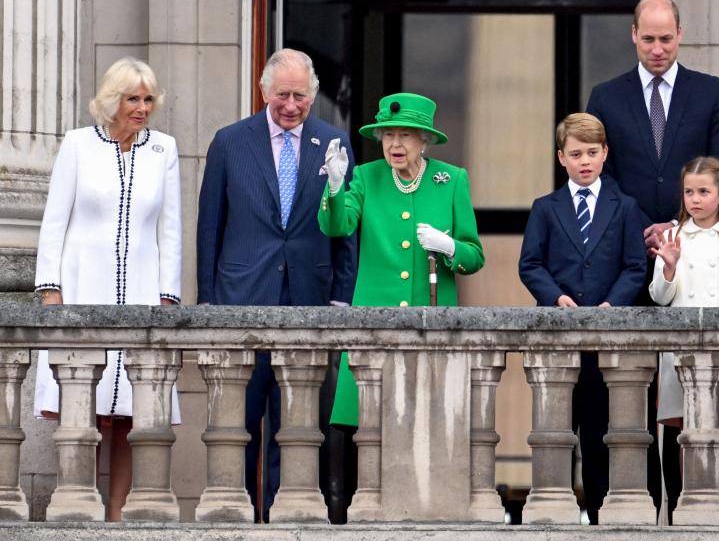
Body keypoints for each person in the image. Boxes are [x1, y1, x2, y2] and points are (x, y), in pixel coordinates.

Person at [585, 0, 719, 519]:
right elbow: (597, 178)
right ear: (632, 35)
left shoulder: (711, 92)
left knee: (685, 392)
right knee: (626, 387)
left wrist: (676, 223)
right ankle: (634, 505)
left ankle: (685, 508)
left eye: (666, 38)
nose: (657, 48)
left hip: (692, 256)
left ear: (681, 34)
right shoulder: (605, 96)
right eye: (648, 39)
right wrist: (639, 229)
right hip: (624, 260)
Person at [196, 48, 358, 522]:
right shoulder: (230, 142)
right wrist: (207, 299)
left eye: (301, 96)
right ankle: (240, 520)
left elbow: (344, 226)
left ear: (313, 95)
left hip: (309, 304)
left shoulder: (333, 142)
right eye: (283, 95)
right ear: (264, 92)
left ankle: (289, 519)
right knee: (237, 430)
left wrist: (341, 298)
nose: (291, 105)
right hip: (240, 303)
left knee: (297, 430)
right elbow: (211, 226)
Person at [33, 57, 182, 521]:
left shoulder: (164, 149)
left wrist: (166, 298)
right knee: (86, 409)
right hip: (83, 289)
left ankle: (117, 517)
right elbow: (54, 222)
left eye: (147, 99)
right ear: (111, 100)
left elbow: (170, 230)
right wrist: (51, 291)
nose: (141, 108)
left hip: (141, 292)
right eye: (132, 99)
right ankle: (79, 508)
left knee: (130, 415)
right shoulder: (78, 145)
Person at [518, 113, 648, 524]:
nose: (585, 161)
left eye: (592, 152)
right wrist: (555, 297)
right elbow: (530, 263)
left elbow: (634, 266)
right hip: (557, 340)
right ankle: (554, 516)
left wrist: (613, 305)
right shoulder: (545, 208)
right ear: (562, 157)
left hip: (604, 342)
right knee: (556, 432)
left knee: (598, 432)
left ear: (605, 153)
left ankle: (599, 516)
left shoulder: (625, 207)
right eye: (576, 154)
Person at [318, 92, 484, 310]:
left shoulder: (452, 180)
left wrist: (449, 247)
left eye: (405, 135)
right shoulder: (367, 176)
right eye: (388, 135)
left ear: (424, 140)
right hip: (374, 319)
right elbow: (336, 226)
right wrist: (335, 185)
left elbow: (474, 258)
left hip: (432, 322)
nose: (395, 144)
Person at [649, 156, 719, 488]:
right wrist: (668, 267)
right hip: (680, 349)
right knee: (686, 430)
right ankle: (688, 501)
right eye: (688, 192)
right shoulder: (674, 236)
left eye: (703, 192)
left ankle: (716, 503)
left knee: (717, 430)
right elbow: (659, 296)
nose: (694, 199)